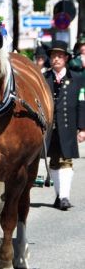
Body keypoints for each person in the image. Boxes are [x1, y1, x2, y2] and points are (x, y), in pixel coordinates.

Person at [44, 40, 85, 210]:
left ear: (66, 58)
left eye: (60, 56)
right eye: (54, 56)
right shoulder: (44, 77)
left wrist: (82, 128)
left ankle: (65, 197)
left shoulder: (77, 78)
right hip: (49, 127)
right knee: (54, 161)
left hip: (68, 126)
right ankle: (59, 196)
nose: (56, 59)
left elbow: (82, 103)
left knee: (66, 160)